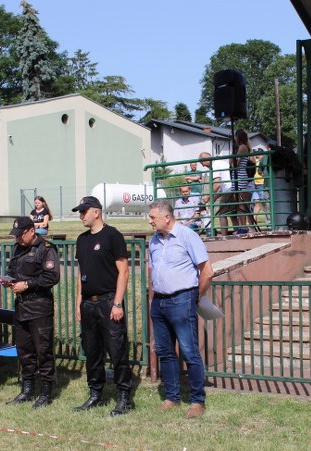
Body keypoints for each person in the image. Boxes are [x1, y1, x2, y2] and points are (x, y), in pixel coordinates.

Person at [147, 200, 214, 418]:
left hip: (182, 299)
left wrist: (195, 297)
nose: (149, 221)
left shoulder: (187, 236)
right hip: (159, 302)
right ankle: (172, 397)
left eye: (153, 217)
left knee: (189, 351)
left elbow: (207, 272)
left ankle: (197, 401)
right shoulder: (154, 241)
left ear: (167, 217)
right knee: (165, 352)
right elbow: (152, 270)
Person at [73, 196, 134, 416]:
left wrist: (117, 303)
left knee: (117, 350)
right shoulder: (82, 240)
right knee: (92, 351)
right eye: (80, 212)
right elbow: (81, 274)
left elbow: (123, 272)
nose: (81, 216)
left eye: (84, 211)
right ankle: (95, 394)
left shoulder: (112, 236)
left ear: (96, 212)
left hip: (108, 302)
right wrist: (79, 302)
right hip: (88, 304)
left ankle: (124, 397)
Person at [3, 216, 61, 409]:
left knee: (43, 350)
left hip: (39, 307)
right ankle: (27, 389)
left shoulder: (46, 248)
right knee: (24, 350)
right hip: (21, 307)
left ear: (31, 231)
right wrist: (9, 280)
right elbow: (12, 270)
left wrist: (27, 284)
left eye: (20, 235)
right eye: (16, 236)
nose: (18, 239)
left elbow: (52, 276)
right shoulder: (18, 248)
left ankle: (45, 392)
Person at [199, 151, 237, 236]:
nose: (203, 166)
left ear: (206, 159)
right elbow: (222, 185)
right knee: (232, 213)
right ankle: (237, 230)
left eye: (202, 163)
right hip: (233, 189)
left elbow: (217, 184)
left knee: (222, 214)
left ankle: (223, 236)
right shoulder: (222, 163)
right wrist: (213, 198)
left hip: (228, 191)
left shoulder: (215, 165)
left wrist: (208, 196)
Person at [230, 128, 256, 233]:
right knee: (241, 205)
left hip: (241, 178)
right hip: (238, 177)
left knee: (243, 205)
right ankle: (244, 227)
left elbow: (234, 163)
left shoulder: (242, 147)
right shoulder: (244, 147)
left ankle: (245, 228)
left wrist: (232, 159)